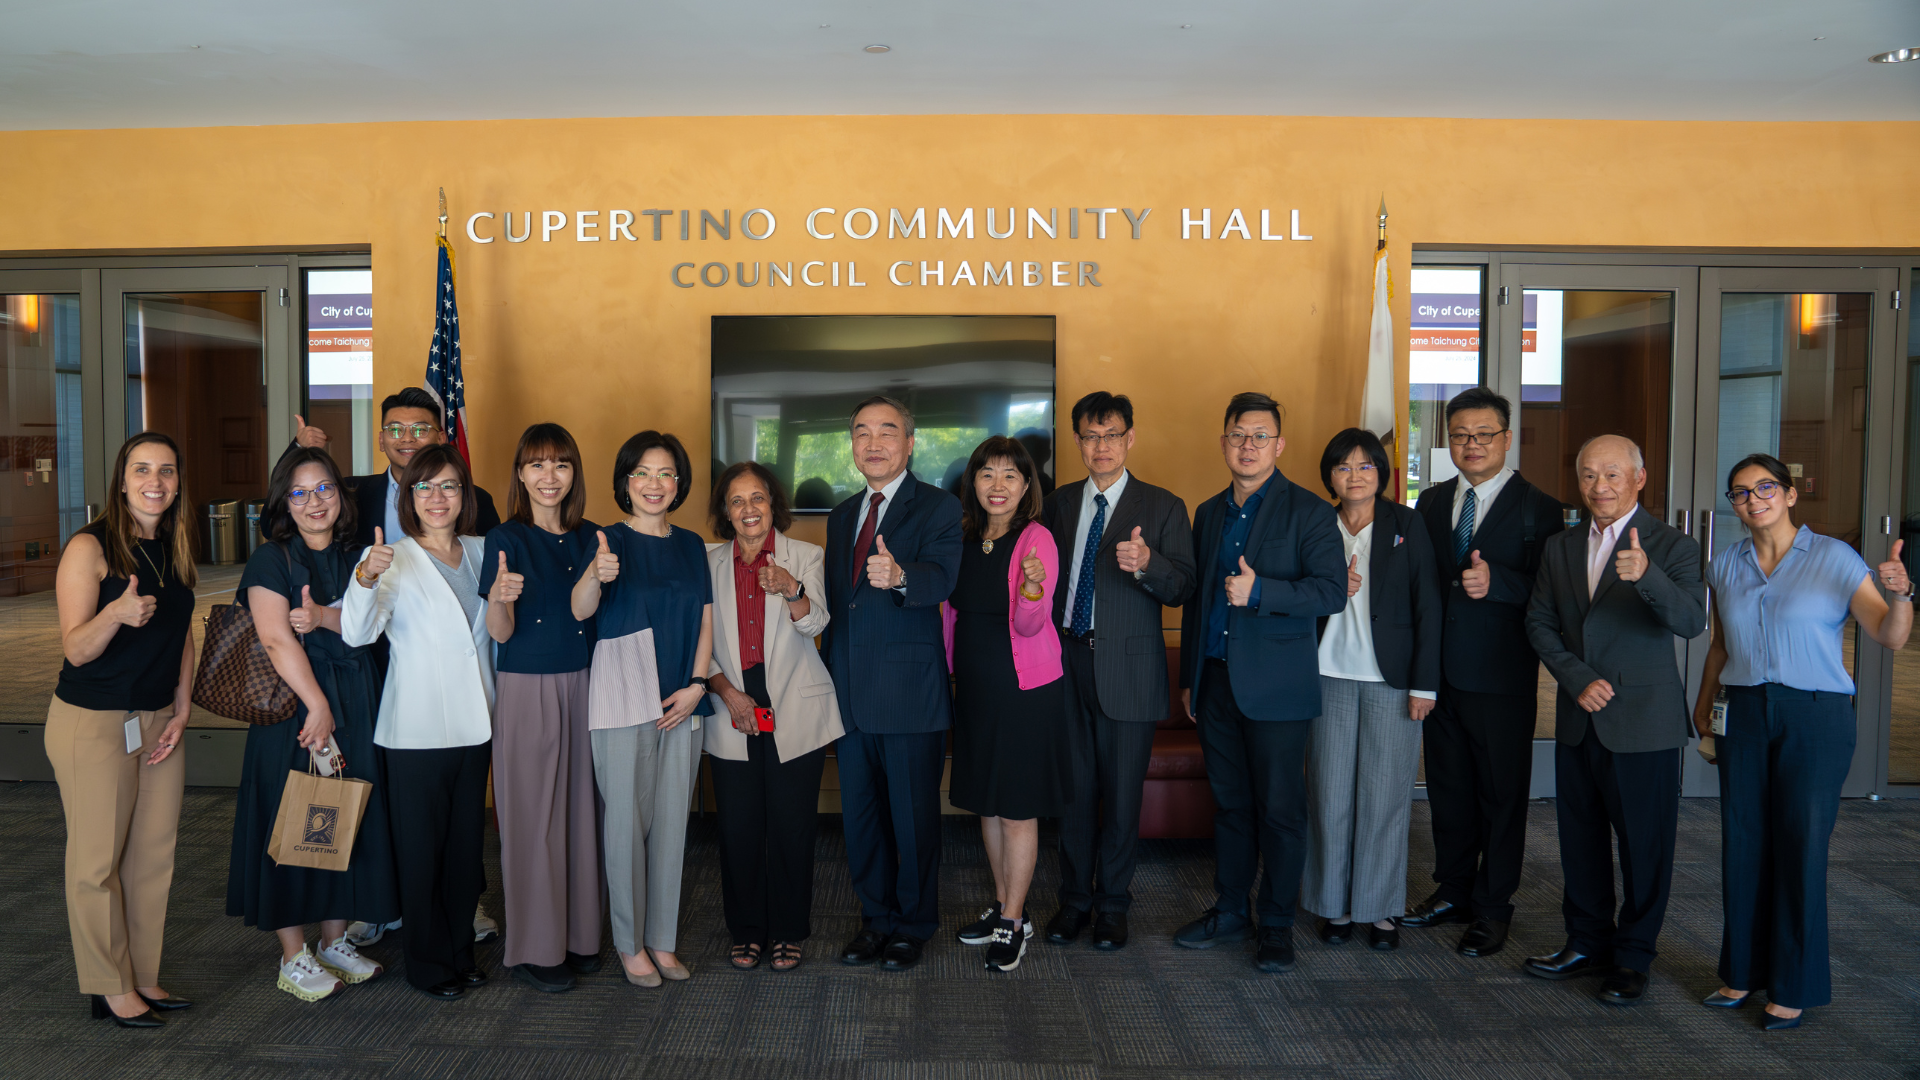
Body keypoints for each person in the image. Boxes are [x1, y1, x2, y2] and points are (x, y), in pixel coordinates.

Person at [1693, 454, 1911, 1030]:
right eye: (1740, 492)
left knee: (1800, 847)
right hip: (1741, 711)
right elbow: (1720, 644)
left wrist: (1903, 595)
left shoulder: (1835, 558)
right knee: (1741, 844)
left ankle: (1793, 984)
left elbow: (1888, 637)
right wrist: (1704, 704)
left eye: (1766, 487)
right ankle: (1741, 971)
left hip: (1814, 716)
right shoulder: (1725, 565)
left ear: (1790, 495)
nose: (1753, 499)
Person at [294, 389, 500, 947]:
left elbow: (493, 619)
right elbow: (300, 507)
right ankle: (386, 905)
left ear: (442, 436)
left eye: (421, 428)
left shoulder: (481, 536)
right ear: (381, 437)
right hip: (373, 671)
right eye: (396, 428)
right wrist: (362, 580)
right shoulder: (354, 495)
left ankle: (461, 911)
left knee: (458, 827)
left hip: (462, 698)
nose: (408, 439)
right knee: (393, 809)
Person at [1522, 435, 1704, 1005]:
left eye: (1613, 475)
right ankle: (1586, 941)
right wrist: (1575, 678)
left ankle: (1633, 958)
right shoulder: (1561, 546)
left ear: (1639, 478)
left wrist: (1647, 575)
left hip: (1644, 723)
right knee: (1579, 840)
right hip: (1580, 716)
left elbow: (1691, 622)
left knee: (1644, 846)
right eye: (1589, 476)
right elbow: (1539, 623)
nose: (1600, 486)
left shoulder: (1673, 545)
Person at [1173, 392, 1346, 974]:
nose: (1248, 446)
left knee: (1280, 811)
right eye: (1238, 435)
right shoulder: (1208, 512)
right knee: (1230, 807)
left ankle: (1275, 923)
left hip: (1277, 687)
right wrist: (1191, 678)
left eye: (1260, 436)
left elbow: (1330, 592)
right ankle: (1229, 911)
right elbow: (1199, 604)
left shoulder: (1311, 512)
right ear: (1224, 443)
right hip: (1216, 683)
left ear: (1279, 445)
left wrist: (1262, 593)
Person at [227, 447, 397, 1002]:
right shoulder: (271, 559)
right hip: (294, 704)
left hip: (356, 695)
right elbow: (276, 637)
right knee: (292, 818)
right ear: (283, 503)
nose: (314, 502)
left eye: (323, 488)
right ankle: (292, 952)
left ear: (340, 494)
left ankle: (333, 940)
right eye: (299, 493)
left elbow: (372, 624)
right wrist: (317, 705)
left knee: (341, 814)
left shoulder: (358, 554)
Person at [1403, 386, 1566, 958]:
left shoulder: (1538, 507)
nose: (1471, 445)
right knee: (1449, 789)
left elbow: (1556, 594)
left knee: (1501, 795)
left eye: (1483, 435)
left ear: (1506, 438)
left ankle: (1494, 906)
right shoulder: (1430, 501)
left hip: (1501, 678)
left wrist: (1501, 585)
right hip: (1438, 674)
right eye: (1460, 435)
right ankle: (1453, 890)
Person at [48, 432, 198, 1028]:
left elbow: (181, 632)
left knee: (152, 855)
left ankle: (140, 973)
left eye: (165, 470)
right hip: (95, 722)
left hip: (159, 719)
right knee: (95, 862)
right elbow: (76, 649)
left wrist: (183, 707)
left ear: (178, 481)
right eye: (142, 470)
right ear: (121, 478)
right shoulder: (90, 548)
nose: (154, 481)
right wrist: (114, 612)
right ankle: (108, 986)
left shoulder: (175, 545)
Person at [1039, 391, 1195, 951]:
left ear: (1130, 438)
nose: (1100, 446)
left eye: (1111, 435)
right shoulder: (1056, 505)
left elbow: (1184, 589)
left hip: (1127, 669)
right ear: (1077, 441)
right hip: (1065, 662)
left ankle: (1113, 906)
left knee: (1122, 796)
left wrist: (1150, 565)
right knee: (1073, 794)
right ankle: (1074, 900)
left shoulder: (1163, 507)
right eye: (1089, 436)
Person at [342, 443, 495, 1000]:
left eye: (449, 486)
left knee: (463, 851)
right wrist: (362, 578)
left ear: (464, 495)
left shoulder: (484, 551)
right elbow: (358, 634)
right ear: (409, 497)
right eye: (425, 487)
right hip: (415, 733)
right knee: (421, 853)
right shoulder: (392, 558)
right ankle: (429, 964)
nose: (437, 497)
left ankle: (459, 950)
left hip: (476, 725)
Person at [822, 395, 963, 972]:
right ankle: (874, 919)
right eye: (861, 433)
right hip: (849, 695)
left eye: (887, 432)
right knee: (860, 822)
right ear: (851, 445)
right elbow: (838, 607)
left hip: (909, 697)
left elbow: (944, 577)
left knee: (912, 821)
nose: (873, 443)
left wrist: (903, 575)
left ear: (910, 442)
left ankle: (913, 924)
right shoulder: (840, 515)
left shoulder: (939, 507)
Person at [571, 430, 714, 988]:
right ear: (625, 481)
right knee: (626, 825)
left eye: (666, 474)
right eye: (643, 473)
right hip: (622, 689)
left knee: (673, 823)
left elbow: (705, 618)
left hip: (684, 693)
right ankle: (630, 945)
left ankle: (663, 940)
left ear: (678, 484)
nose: (654, 484)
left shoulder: (690, 543)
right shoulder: (607, 539)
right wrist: (594, 575)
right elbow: (582, 609)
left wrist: (699, 684)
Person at [1300, 428, 1442, 952]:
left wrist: (1425, 684)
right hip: (1325, 676)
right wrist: (1329, 586)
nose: (1354, 476)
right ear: (1329, 476)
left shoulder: (1407, 524)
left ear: (1381, 472)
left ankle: (1381, 910)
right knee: (1329, 797)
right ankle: (1333, 905)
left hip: (1392, 679)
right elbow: (1294, 595)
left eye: (1365, 466)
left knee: (1384, 801)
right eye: (1343, 467)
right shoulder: (1315, 522)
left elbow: (1429, 604)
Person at [477, 423, 603, 993]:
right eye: (536, 465)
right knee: (533, 821)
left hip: (585, 684)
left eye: (560, 465)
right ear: (520, 474)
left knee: (581, 814)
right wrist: (500, 599)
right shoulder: (504, 538)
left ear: (574, 473)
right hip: (527, 687)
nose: (548, 477)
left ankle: (578, 936)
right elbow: (499, 632)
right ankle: (534, 946)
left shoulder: (593, 537)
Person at [702, 462, 841, 973]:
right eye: (736, 501)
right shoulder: (708, 561)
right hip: (730, 699)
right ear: (725, 511)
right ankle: (747, 930)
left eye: (757, 498)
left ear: (772, 503)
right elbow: (699, 641)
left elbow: (818, 625)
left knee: (790, 825)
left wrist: (791, 589)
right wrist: (725, 691)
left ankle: (787, 930)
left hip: (794, 704)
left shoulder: (806, 555)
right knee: (738, 826)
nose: (748, 510)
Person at [943, 436, 1070, 972]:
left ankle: (1016, 921)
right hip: (974, 689)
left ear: (1026, 486)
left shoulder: (1037, 539)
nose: (998, 486)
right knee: (989, 805)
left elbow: (1028, 623)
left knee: (1016, 808)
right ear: (973, 482)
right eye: (987, 474)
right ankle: (1001, 906)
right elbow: (950, 616)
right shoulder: (964, 537)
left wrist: (1035, 591)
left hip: (1023, 691)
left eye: (1010, 476)